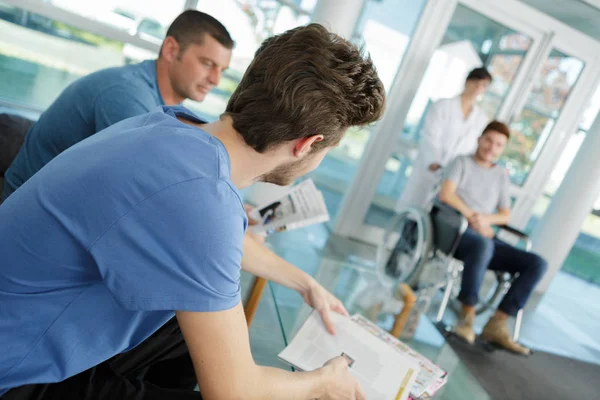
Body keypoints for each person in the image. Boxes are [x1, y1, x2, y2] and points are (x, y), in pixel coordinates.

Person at [0, 23, 386, 399]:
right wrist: (324, 381)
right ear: (307, 144)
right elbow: (235, 392)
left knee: (184, 335)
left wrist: (304, 283)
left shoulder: (175, 126)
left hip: (27, 315)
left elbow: (214, 235)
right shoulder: (202, 198)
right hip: (17, 369)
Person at [2, 10, 234, 200]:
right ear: (171, 49)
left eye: (221, 70)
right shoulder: (126, 94)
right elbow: (149, 187)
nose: (215, 80)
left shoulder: (162, 106)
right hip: (27, 219)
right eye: (207, 63)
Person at [438, 120, 547, 355]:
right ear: (479, 139)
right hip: (457, 232)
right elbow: (446, 194)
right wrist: (472, 217)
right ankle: (466, 316)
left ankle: (497, 324)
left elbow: (505, 214)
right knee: (483, 244)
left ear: (502, 149)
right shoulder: (461, 162)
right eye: (489, 140)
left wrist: (484, 221)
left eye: (498, 144)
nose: (491, 147)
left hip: (485, 237)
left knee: (537, 263)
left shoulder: (500, 175)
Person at [396, 67, 492, 211]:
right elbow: (429, 137)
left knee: (434, 222)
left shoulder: (481, 119)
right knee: (412, 214)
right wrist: (435, 162)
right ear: (467, 82)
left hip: (452, 179)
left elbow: (473, 150)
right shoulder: (443, 106)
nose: (478, 88)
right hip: (430, 169)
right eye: (476, 82)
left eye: (483, 85)